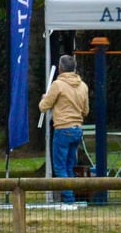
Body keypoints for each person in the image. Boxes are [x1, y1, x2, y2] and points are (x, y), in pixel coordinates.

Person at [38, 54, 90, 207]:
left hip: (63, 129)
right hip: (77, 130)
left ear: (60, 69)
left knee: (59, 167)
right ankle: (71, 196)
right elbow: (85, 111)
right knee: (69, 166)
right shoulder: (83, 86)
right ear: (74, 68)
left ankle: (69, 201)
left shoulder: (58, 85)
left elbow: (43, 106)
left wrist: (44, 98)